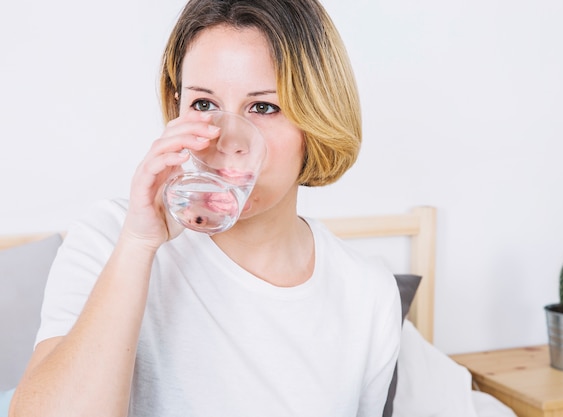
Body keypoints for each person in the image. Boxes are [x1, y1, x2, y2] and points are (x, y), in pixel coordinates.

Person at [9, 0, 401, 416]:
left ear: (317, 118)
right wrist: (138, 245)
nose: (225, 138)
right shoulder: (110, 238)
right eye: (204, 105)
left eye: (264, 107)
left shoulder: (367, 292)